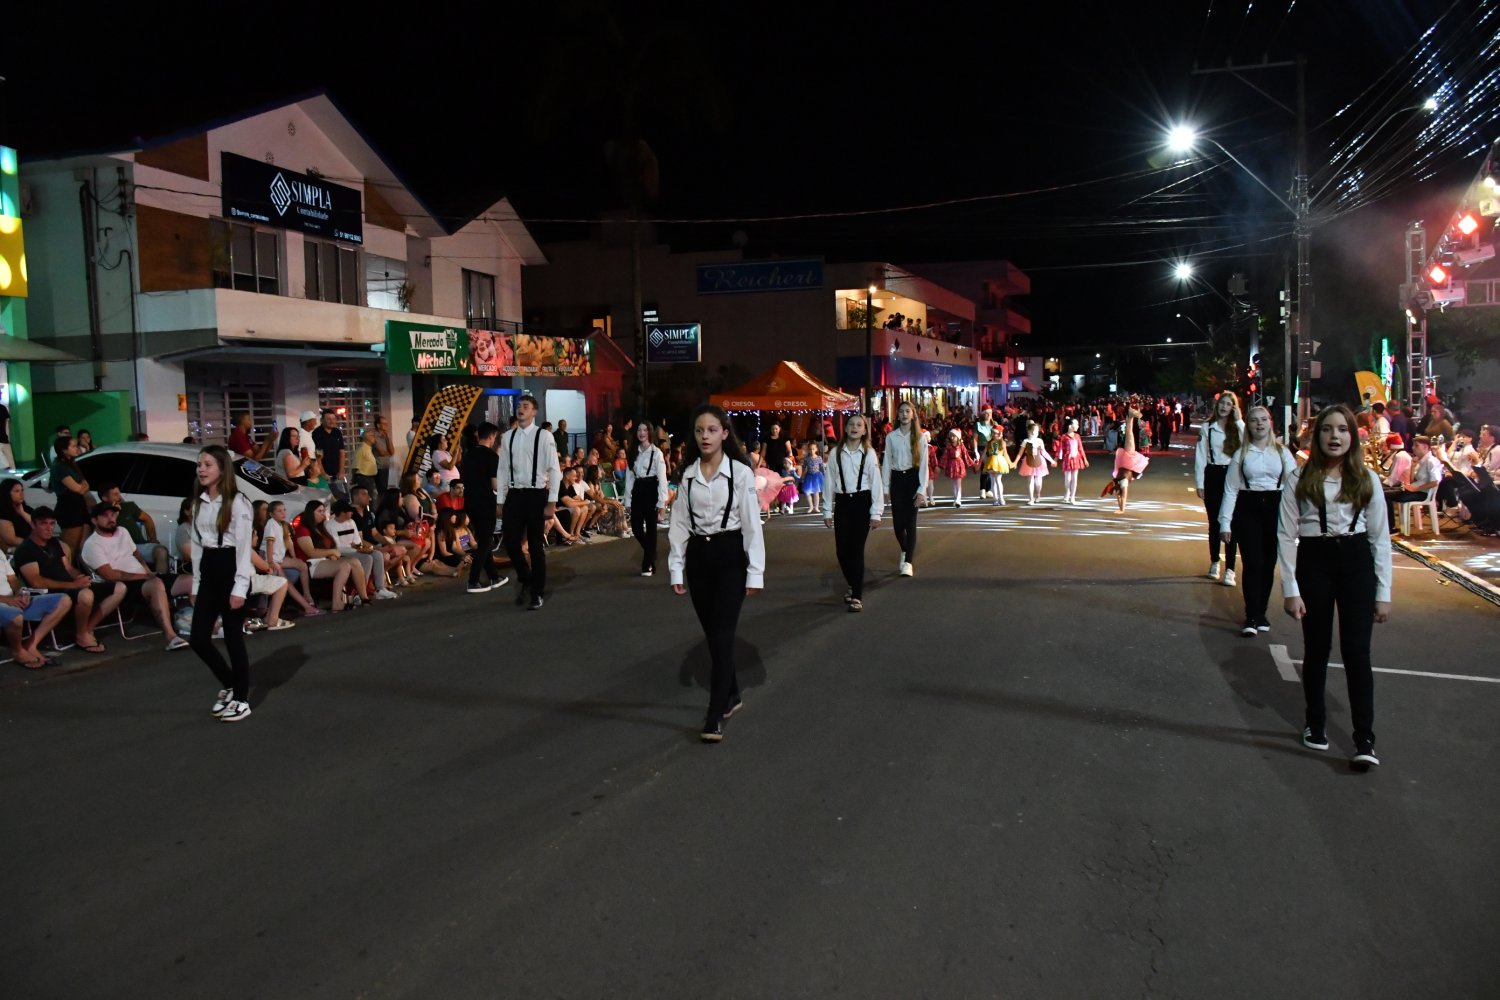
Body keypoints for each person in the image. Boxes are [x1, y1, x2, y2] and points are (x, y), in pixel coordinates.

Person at [1278, 404, 1391, 768]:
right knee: (1317, 648)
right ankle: (1315, 722)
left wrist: (1383, 592)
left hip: (1356, 563)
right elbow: (1286, 535)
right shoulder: (1298, 478)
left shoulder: (1367, 479)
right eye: (1328, 429)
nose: (1335, 436)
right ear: (1317, 435)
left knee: (1357, 652)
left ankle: (1364, 738)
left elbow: (1380, 539)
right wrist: (1290, 589)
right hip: (1315, 561)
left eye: (1343, 429)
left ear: (1352, 436)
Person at [668, 404, 765, 742]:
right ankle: (732, 693)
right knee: (713, 635)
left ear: (725, 433)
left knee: (723, 633)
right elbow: (679, 524)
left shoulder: (740, 473)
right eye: (699, 431)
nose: (705, 436)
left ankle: (715, 713)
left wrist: (755, 572)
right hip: (699, 558)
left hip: (730, 557)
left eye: (711, 430)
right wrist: (676, 568)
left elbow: (752, 525)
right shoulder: (688, 475)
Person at [183, 447, 256, 722]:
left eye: (208, 464)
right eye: (199, 464)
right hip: (209, 570)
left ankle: (241, 699)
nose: (201, 469)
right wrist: (196, 584)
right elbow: (197, 547)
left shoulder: (238, 502)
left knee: (233, 638)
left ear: (223, 469)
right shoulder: (199, 503)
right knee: (198, 639)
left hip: (231, 570)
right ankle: (230, 683)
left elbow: (243, 549)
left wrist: (240, 587)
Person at [1218, 406, 1298, 637]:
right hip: (1248, 508)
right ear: (1249, 425)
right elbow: (1231, 489)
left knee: (1269, 563)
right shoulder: (1241, 454)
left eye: (1264, 419)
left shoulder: (1282, 453)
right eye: (1254, 420)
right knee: (1253, 563)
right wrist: (1225, 523)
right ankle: (1251, 615)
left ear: (1270, 423)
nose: (1259, 424)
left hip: (1275, 508)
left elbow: (1294, 487)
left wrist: (1298, 521)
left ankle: (1262, 612)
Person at [14, 505, 123, 654]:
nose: (49, 528)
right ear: (33, 524)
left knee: (119, 588)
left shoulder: (53, 542)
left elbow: (68, 568)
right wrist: (74, 585)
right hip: (49, 591)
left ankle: (88, 628)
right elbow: (36, 582)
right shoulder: (26, 549)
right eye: (44, 524)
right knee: (85, 595)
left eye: (52, 524)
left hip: (70, 585)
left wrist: (79, 577)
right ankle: (81, 635)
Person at [82, 501, 189, 651]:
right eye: (105, 516)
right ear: (94, 520)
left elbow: (136, 554)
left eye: (113, 515)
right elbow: (110, 575)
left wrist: (147, 571)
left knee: (192, 581)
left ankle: (209, 625)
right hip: (126, 585)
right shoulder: (93, 544)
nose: (111, 519)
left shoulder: (122, 531)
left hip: (145, 578)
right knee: (156, 584)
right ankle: (171, 636)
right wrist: (143, 577)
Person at [499, 394, 562, 611]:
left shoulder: (544, 436)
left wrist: (552, 501)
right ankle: (526, 578)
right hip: (515, 495)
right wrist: (500, 500)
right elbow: (502, 470)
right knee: (511, 542)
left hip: (536, 495)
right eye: (519, 405)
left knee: (535, 546)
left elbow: (554, 469)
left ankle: (537, 592)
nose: (521, 409)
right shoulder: (508, 437)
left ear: (534, 411)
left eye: (525, 406)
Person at [824, 413, 883, 613]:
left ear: (864, 430)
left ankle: (857, 595)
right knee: (842, 551)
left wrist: (876, 513)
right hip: (842, 503)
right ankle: (853, 582)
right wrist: (827, 510)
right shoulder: (835, 453)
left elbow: (875, 483)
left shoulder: (869, 453)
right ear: (845, 428)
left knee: (856, 550)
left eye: (859, 425)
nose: (855, 427)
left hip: (862, 502)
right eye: (851, 424)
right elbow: (829, 482)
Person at [1195, 392, 1245, 584]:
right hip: (1213, 475)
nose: (1224, 407)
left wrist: (1239, 421)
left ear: (1234, 408)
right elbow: (1200, 456)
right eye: (1222, 403)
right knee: (1214, 522)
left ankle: (1230, 569)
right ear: (1217, 406)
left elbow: (1248, 444)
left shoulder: (1237, 427)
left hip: (1232, 475)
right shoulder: (1208, 427)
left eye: (1229, 404)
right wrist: (1200, 483)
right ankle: (1215, 561)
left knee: (1231, 522)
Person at [0, 546, 72, 667]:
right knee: (15, 616)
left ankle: (31, 645)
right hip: (5, 604)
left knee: (64, 600)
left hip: (14, 600)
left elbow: (13, 580)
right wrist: (8, 600)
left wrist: (21, 594)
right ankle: (17, 651)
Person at [882, 401, 930, 577]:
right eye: (901, 411)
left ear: (913, 414)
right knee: (897, 525)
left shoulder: (920, 437)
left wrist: (922, 489)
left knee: (910, 523)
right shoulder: (891, 437)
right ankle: (904, 549)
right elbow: (887, 462)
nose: (904, 414)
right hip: (897, 480)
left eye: (907, 411)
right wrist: (885, 488)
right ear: (897, 415)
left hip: (912, 479)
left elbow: (924, 465)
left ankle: (908, 562)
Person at [460, 421, 507, 594]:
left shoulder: (468, 454)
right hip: (485, 502)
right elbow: (495, 485)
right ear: (492, 437)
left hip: (469, 502)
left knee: (484, 539)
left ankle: (493, 576)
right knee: (485, 542)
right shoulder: (491, 456)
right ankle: (473, 581)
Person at [294, 500, 365, 613]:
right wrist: (331, 552)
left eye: (323, 511)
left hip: (325, 559)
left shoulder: (321, 528)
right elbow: (311, 552)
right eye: (319, 511)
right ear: (310, 513)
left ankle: (363, 597)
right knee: (344, 565)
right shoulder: (303, 530)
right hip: (312, 563)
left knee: (354, 561)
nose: (323, 514)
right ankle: (336, 602)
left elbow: (332, 546)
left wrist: (332, 554)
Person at [1384, 435, 1443, 533]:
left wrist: (1415, 489)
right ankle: (1389, 526)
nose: (1413, 448)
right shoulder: (1421, 461)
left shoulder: (1431, 461)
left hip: (1422, 493)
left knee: (1385, 495)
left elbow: (1435, 481)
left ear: (1425, 447)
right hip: (1415, 490)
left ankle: (1391, 527)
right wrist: (1413, 467)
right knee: (1383, 492)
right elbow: (1412, 481)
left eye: (1416, 445)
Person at [49, 436, 93, 557]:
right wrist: (82, 487)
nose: (76, 448)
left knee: (82, 545)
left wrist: (82, 487)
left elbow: (86, 485)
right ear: (64, 450)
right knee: (70, 547)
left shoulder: (72, 464)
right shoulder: (59, 467)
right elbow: (78, 489)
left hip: (80, 506)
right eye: (73, 446)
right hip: (69, 508)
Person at [1105, 403, 1149, 513]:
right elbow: (1121, 496)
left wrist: (1121, 509)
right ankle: (1130, 416)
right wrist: (1121, 509)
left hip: (1127, 461)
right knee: (1129, 434)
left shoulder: (1121, 481)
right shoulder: (1119, 480)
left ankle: (1130, 415)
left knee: (1129, 434)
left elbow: (1121, 497)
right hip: (1125, 462)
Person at [311, 409, 349, 501]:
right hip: (324, 474)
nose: (332, 421)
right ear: (322, 420)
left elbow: (342, 452)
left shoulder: (337, 432)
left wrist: (341, 470)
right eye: (328, 419)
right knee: (327, 500)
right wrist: (323, 473)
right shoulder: (317, 433)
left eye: (333, 419)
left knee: (342, 498)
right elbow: (318, 455)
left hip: (337, 472)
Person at [1017, 421, 1056, 506]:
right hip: (1028, 461)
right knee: (1030, 480)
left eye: (1038, 431)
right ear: (1029, 431)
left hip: (1039, 461)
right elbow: (1020, 453)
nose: (1037, 433)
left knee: (1038, 482)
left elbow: (1044, 452)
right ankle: (1031, 498)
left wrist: (1052, 460)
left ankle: (1038, 494)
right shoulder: (1025, 441)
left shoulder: (1039, 441)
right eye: (1035, 431)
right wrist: (1015, 462)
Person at [1056, 418, 1088, 505]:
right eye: (1076, 424)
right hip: (1067, 459)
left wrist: (1084, 459)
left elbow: (1080, 448)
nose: (1078, 426)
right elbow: (1060, 449)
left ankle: (1072, 496)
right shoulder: (1064, 437)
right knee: (1068, 479)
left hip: (1076, 458)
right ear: (1070, 426)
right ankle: (1067, 492)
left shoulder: (1077, 436)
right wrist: (1056, 459)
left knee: (1074, 478)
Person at [0, 477, 34, 551]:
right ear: (7, 493)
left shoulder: (27, 509)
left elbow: (39, 526)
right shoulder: (3, 512)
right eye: (17, 491)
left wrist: (23, 513)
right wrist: (34, 545)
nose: (21, 494)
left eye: (22, 490)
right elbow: (11, 540)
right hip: (17, 549)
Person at [352, 428, 380, 497]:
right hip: (364, 478)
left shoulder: (369, 449)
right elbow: (355, 466)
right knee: (367, 498)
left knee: (371, 497)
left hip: (370, 478)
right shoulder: (362, 449)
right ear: (367, 437)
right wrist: (354, 478)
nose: (374, 437)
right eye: (372, 435)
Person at [372, 415, 396, 493]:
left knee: (385, 489)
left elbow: (392, 451)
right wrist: (388, 453)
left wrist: (388, 438)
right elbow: (382, 452)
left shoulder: (386, 436)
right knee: (381, 490)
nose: (386, 426)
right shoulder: (375, 436)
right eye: (384, 424)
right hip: (379, 467)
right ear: (378, 425)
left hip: (386, 466)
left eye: (387, 424)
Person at [801, 441, 826, 515]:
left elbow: (822, 467)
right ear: (808, 450)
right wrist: (802, 475)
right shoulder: (807, 459)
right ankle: (811, 506)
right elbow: (804, 467)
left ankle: (816, 507)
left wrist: (824, 475)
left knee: (816, 492)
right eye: (810, 449)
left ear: (816, 449)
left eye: (813, 449)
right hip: (809, 476)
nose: (812, 450)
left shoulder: (819, 458)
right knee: (807, 492)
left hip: (817, 476)